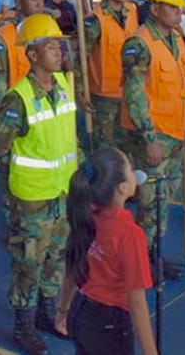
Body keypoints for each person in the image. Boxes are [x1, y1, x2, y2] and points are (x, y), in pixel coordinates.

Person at [0, 14, 78, 355]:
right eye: (50, 47)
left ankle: (46, 313)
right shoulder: (18, 99)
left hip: (62, 191)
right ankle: (23, 326)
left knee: (55, 257)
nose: (58, 52)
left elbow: (69, 137)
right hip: (32, 197)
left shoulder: (65, 86)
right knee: (28, 262)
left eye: (59, 45)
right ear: (33, 55)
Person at [120, 0, 185, 281]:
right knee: (149, 204)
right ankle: (139, 262)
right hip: (153, 136)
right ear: (154, 8)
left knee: (163, 202)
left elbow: (181, 88)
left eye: (179, 8)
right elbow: (134, 95)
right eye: (172, 7)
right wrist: (149, 138)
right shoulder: (139, 44)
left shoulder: (176, 40)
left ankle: (153, 256)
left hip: (175, 133)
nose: (178, 13)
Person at [60, 147, 157, 355]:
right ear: (122, 188)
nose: (134, 173)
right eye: (130, 169)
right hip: (109, 327)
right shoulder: (130, 234)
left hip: (80, 312)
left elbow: (72, 261)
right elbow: (137, 302)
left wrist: (64, 308)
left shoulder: (86, 214)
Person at [82, 0, 138, 153]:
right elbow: (82, 56)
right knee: (105, 151)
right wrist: (81, 91)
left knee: (126, 149)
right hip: (104, 97)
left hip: (129, 93)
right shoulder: (95, 21)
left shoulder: (132, 12)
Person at [0, 0, 50, 108]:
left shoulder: (47, 30)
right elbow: (0, 86)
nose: (39, 3)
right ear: (18, 1)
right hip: (17, 110)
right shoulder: (3, 39)